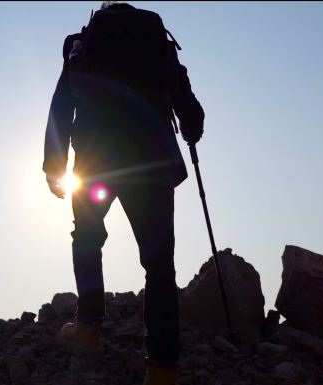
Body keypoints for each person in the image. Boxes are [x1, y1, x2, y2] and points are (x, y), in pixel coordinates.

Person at [42, 2, 204, 384]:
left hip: (98, 161)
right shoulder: (161, 49)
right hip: (153, 163)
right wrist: (191, 132)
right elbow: (192, 116)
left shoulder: (83, 47)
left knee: (87, 239)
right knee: (159, 263)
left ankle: (89, 329)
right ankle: (163, 368)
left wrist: (54, 166)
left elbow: (61, 107)